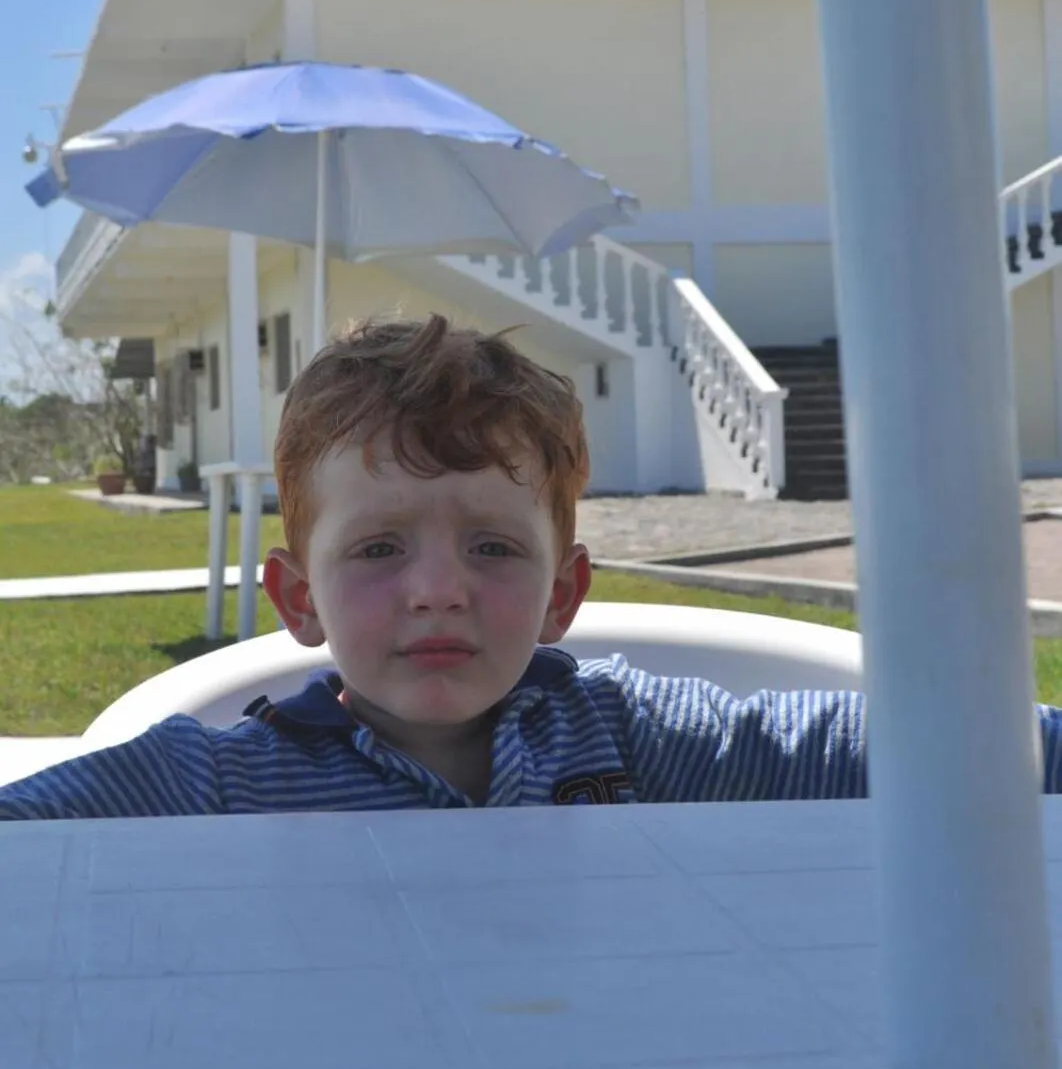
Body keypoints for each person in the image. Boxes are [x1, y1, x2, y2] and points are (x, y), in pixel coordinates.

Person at [3, 314, 1061, 819]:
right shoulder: (215, 780)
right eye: (378, 548)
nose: (438, 587)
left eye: (494, 547)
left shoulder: (626, 737)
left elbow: (881, 748)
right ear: (297, 598)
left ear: (563, 596)